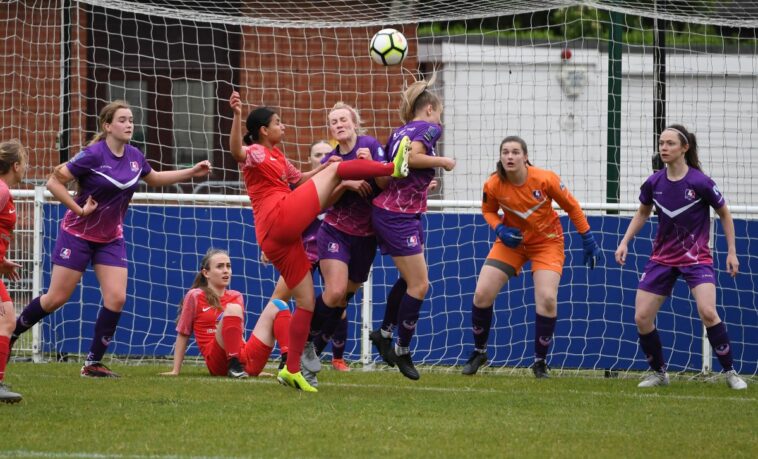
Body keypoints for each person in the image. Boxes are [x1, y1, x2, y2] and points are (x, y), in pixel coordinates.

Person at [10, 100, 211, 378]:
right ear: (107, 126)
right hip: (77, 234)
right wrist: (79, 209)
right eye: (122, 120)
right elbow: (54, 182)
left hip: (110, 237)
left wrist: (192, 171)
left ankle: (92, 363)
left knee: (116, 299)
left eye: (131, 119)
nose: (129, 124)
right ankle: (11, 333)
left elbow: (154, 179)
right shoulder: (93, 155)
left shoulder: (135, 156)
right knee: (56, 298)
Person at [228, 91, 408, 392]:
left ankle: (293, 369)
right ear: (263, 131)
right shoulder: (258, 152)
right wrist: (236, 116)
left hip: (278, 239)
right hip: (278, 217)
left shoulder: (279, 157)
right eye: (277, 122)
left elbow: (300, 180)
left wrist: (326, 167)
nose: (283, 126)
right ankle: (394, 167)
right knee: (339, 171)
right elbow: (237, 152)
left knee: (307, 303)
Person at [615, 124, 747, 390]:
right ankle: (659, 373)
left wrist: (732, 252)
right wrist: (625, 241)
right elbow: (642, 213)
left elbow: (724, 214)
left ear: (684, 148)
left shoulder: (700, 181)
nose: (664, 148)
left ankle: (731, 372)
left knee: (708, 312)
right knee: (642, 317)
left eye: (670, 143)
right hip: (662, 259)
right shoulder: (654, 182)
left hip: (697, 259)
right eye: (661, 143)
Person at [460, 136, 601, 378]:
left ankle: (539, 362)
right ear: (500, 156)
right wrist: (500, 229)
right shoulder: (493, 184)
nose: (510, 156)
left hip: (547, 243)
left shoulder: (545, 179)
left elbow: (572, 207)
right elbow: (488, 210)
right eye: (505, 152)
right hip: (512, 244)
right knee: (482, 293)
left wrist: (587, 238)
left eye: (515, 152)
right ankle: (479, 351)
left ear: (525, 157)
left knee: (547, 298)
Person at [368, 74, 456, 381]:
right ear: (430, 108)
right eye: (440, 111)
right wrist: (442, 161)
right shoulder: (430, 127)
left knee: (409, 281)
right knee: (420, 285)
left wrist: (422, 185)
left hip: (397, 210)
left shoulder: (399, 131)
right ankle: (402, 348)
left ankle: (383, 333)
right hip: (397, 216)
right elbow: (416, 157)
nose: (440, 118)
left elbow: (401, 169)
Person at [301, 103, 385, 383]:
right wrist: (345, 183)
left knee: (341, 301)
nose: (338, 124)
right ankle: (304, 346)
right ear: (331, 130)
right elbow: (321, 203)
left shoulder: (370, 145)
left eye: (343, 119)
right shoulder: (332, 161)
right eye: (333, 121)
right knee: (334, 292)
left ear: (354, 122)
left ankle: (310, 360)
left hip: (366, 238)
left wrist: (369, 166)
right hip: (335, 231)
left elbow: (388, 181)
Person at [161, 249, 291, 379]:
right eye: (220, 266)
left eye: (228, 266)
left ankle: (288, 361)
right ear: (206, 273)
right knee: (233, 309)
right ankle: (234, 365)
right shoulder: (195, 295)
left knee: (278, 305)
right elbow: (183, 333)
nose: (226, 270)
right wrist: (175, 370)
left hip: (244, 358)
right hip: (219, 363)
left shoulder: (237, 296)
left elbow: (238, 335)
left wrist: (254, 364)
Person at [0, 140, 26, 403]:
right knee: (7, 321)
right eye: (24, 162)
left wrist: (2, 262)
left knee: (8, 320)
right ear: (15, 165)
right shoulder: (2, 189)